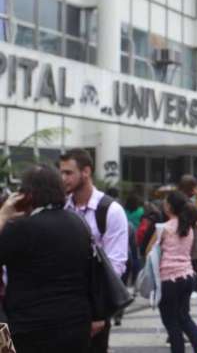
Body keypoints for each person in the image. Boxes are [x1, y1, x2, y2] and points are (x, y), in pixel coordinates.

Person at [0, 165, 92, 353]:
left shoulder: (20, 229)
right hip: (76, 324)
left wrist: (3, 215)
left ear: (27, 195)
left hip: (31, 328)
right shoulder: (78, 223)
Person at [61, 148, 129, 353]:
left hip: (94, 304)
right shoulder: (62, 207)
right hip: (66, 301)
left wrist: (99, 312)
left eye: (68, 173)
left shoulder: (110, 210)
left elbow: (115, 266)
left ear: (86, 172)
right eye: (61, 173)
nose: (63, 178)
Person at [158, 190, 197, 353]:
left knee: (171, 323)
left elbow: (149, 252)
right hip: (188, 276)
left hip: (169, 279)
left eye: (165, 201)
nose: (163, 204)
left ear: (169, 207)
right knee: (184, 318)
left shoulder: (163, 228)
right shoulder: (189, 227)